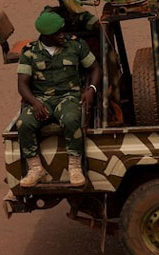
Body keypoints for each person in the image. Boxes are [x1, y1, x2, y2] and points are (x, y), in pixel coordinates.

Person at [17, 11, 101, 188]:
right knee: (24, 123)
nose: (63, 35)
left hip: (69, 97)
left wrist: (91, 89)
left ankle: (75, 167)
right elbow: (22, 84)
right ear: (46, 35)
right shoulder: (30, 53)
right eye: (58, 33)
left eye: (63, 31)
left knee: (72, 119)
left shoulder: (75, 46)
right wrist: (34, 102)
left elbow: (95, 68)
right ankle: (35, 169)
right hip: (42, 100)